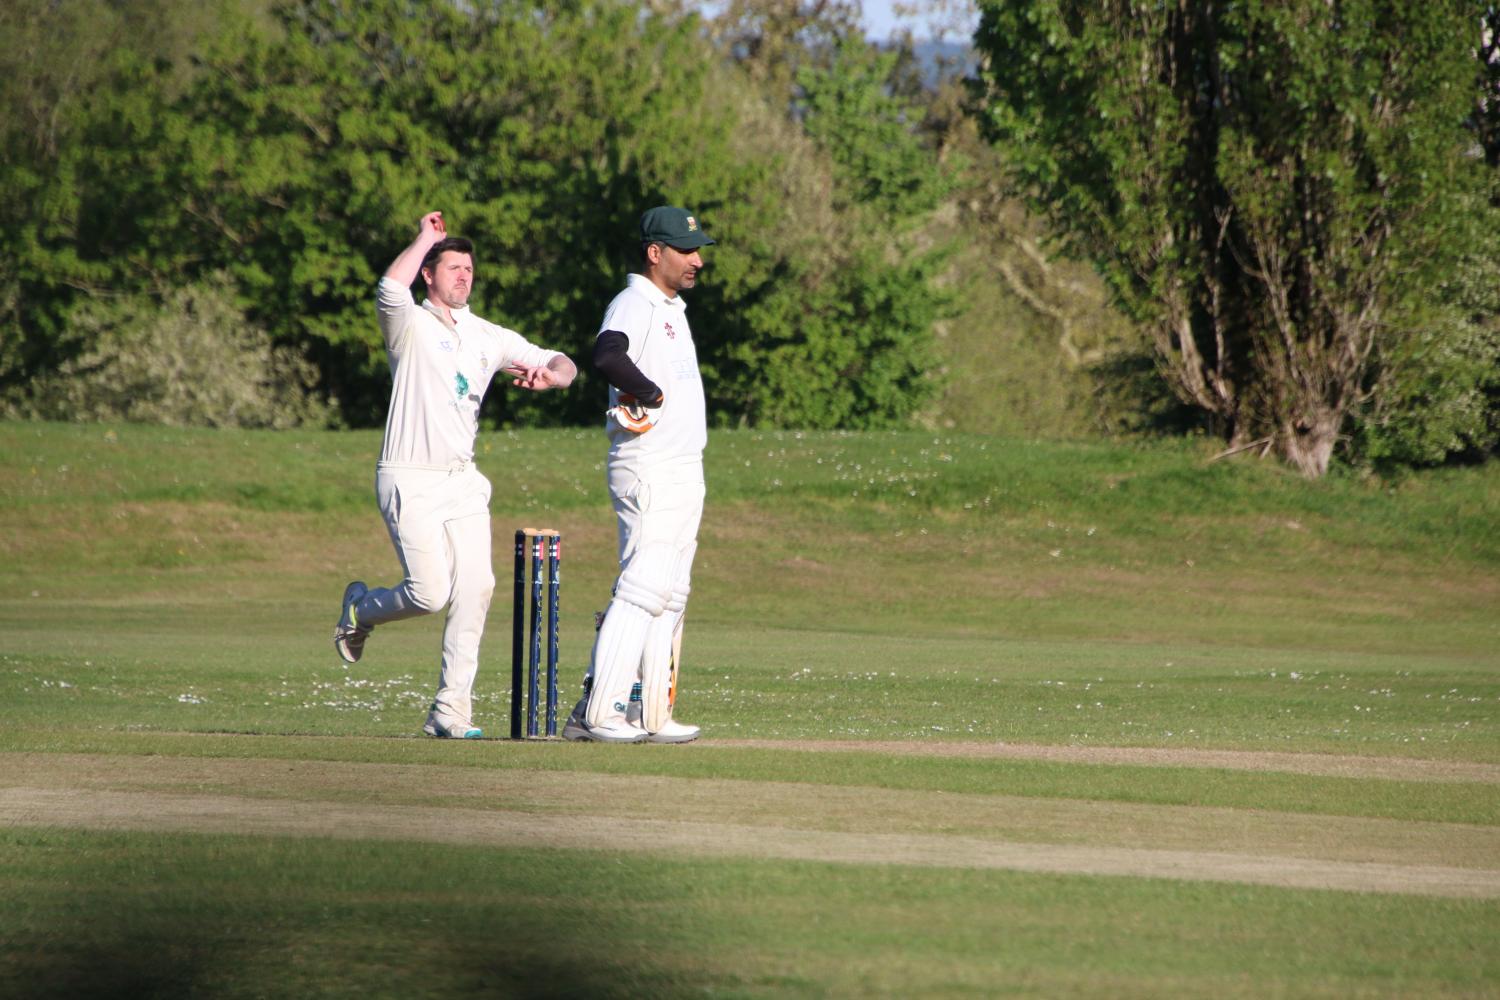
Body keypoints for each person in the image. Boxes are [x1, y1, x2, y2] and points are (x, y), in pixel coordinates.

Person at [333, 211, 577, 739]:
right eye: (453, 268)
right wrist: (425, 239)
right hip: (409, 475)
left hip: (462, 480)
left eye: (469, 269)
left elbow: (562, 360)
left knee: (478, 586)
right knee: (429, 593)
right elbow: (388, 289)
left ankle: (450, 711)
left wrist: (552, 379)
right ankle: (361, 609)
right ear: (430, 274)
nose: (464, 277)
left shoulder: (486, 335)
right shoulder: (410, 326)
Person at [564, 206, 715, 744]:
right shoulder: (635, 300)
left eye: (698, 249)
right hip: (648, 466)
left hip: (683, 466)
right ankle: (595, 714)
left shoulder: (671, 306)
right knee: (643, 587)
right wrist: (649, 393)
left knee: (671, 592)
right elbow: (607, 356)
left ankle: (653, 714)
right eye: (685, 250)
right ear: (656, 254)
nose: (697, 259)